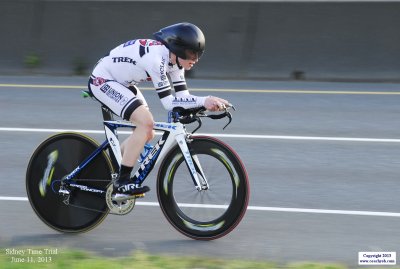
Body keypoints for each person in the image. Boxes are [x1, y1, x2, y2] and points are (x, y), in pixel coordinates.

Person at [88, 22, 229, 198]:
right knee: (146, 124)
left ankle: (111, 168)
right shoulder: (157, 59)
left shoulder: (175, 62)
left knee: (148, 132)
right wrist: (204, 100)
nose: (196, 59)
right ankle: (122, 183)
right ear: (178, 50)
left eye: (199, 53)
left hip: (123, 82)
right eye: (192, 53)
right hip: (103, 80)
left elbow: (182, 96)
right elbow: (170, 103)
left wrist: (204, 104)